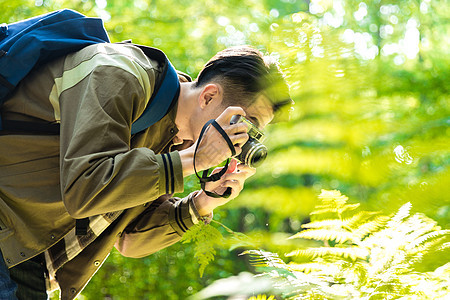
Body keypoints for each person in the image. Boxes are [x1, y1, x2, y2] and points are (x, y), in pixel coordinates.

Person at [0, 41, 292, 299]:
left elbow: (129, 239)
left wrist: (204, 201)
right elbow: (85, 189)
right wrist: (194, 160)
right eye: (246, 123)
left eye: (254, 134)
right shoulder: (118, 72)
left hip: (23, 253)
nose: (243, 141)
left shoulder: (173, 139)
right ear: (208, 97)